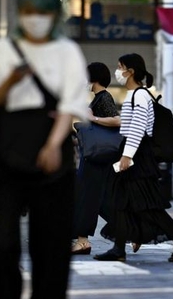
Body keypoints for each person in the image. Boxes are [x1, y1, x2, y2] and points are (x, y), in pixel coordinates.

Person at [0, 0, 88, 299]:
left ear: (55, 14)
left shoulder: (67, 51)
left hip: (52, 148)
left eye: (41, 11)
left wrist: (54, 145)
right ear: (19, 11)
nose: (35, 18)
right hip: (9, 148)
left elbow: (71, 104)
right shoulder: (3, 48)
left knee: (51, 245)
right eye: (28, 10)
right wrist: (12, 79)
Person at [95, 53, 173, 262]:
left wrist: (127, 156)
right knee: (123, 202)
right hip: (134, 153)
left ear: (130, 71)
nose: (118, 71)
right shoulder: (134, 94)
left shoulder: (139, 95)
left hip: (138, 156)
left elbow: (138, 128)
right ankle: (119, 248)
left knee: (147, 205)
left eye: (120, 67)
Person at [72, 62, 121, 255]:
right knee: (102, 202)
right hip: (96, 157)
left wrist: (93, 119)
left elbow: (117, 120)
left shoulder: (104, 97)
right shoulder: (98, 98)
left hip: (96, 160)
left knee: (85, 199)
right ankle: (131, 232)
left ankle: (82, 241)